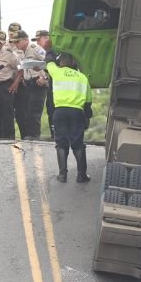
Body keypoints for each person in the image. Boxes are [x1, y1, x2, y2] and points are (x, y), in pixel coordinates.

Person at [47, 52, 92, 183]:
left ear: (60, 63)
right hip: (77, 112)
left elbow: (48, 61)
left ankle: (62, 175)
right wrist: (87, 115)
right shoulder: (82, 77)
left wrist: (51, 49)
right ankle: (81, 175)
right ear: (73, 63)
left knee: (61, 143)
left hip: (60, 111)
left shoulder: (56, 72)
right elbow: (88, 101)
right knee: (78, 144)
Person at [10, 30, 47, 139]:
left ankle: (35, 135)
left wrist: (44, 77)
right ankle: (30, 134)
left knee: (34, 111)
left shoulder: (35, 49)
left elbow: (48, 63)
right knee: (28, 110)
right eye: (14, 42)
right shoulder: (21, 52)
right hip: (29, 83)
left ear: (26, 40)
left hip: (38, 82)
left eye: (18, 41)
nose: (16, 44)